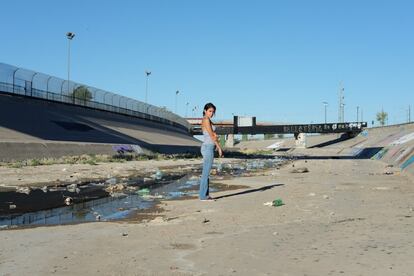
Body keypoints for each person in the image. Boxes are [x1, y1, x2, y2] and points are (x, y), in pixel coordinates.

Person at [200, 102, 223, 201]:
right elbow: (211, 134)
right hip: (208, 147)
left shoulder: (209, 120)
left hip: (208, 147)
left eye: (213, 112)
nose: (211, 113)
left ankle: (206, 195)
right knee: (205, 173)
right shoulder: (206, 120)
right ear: (205, 111)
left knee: (206, 172)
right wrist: (219, 147)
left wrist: (215, 137)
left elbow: (213, 134)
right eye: (210, 111)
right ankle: (203, 196)